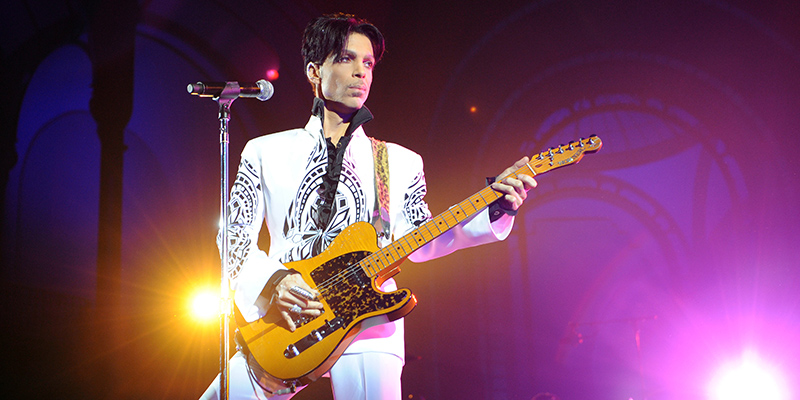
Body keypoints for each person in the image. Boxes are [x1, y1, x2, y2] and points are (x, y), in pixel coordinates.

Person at [200, 13, 537, 400]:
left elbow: (422, 238)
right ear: (314, 70)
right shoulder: (265, 151)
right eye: (346, 59)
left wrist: (496, 209)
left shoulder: (399, 161)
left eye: (368, 63)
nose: (361, 72)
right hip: (287, 318)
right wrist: (274, 282)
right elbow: (234, 236)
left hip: (368, 325)